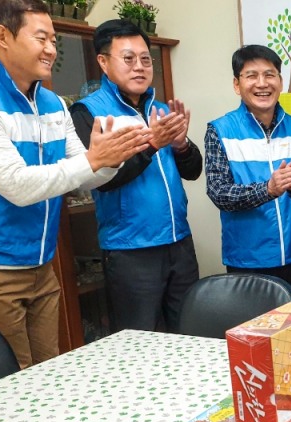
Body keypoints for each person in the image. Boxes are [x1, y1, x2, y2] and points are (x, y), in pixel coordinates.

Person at [0, 0, 150, 368]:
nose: (52, 49)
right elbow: (18, 185)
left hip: (44, 266)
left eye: (54, 39)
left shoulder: (53, 102)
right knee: (9, 385)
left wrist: (112, 157)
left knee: (48, 372)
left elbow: (87, 170)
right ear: (3, 36)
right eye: (42, 38)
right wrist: (94, 160)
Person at [70, 19, 203, 333]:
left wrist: (181, 144)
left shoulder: (159, 108)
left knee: (189, 332)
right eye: (128, 59)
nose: (140, 67)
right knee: (140, 340)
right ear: (103, 62)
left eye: (146, 59)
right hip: (130, 250)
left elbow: (193, 171)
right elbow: (103, 178)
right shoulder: (88, 113)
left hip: (178, 242)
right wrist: (153, 143)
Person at [204, 44, 291, 293]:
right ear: (237, 85)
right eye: (251, 76)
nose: (262, 83)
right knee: (253, 331)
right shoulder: (220, 130)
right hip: (246, 259)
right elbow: (219, 193)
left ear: (280, 81)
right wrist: (268, 189)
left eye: (269, 75)